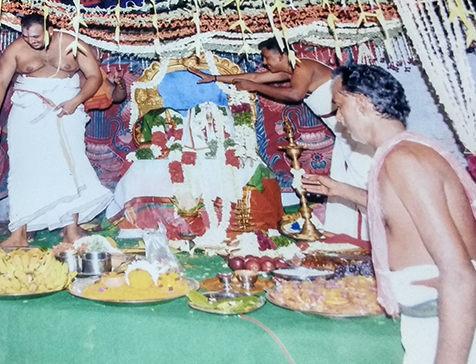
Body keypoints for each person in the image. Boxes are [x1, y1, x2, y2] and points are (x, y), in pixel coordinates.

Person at [304, 64, 476, 363]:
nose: (339, 119)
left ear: (362, 102)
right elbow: (404, 213)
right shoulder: (403, 152)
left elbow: (459, 273)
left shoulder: (403, 159)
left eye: (340, 106)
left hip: (443, 318)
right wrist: (340, 190)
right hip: (431, 315)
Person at [189, 37, 373, 240]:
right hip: (343, 135)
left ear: (282, 55)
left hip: (355, 136)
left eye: (267, 57)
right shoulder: (290, 70)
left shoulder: (303, 65)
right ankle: (350, 236)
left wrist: (254, 87)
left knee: (360, 182)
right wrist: (214, 78)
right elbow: (254, 77)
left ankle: (368, 236)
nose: (265, 63)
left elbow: (295, 95)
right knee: (344, 186)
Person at [0, 13, 113, 248]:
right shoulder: (16, 50)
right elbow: (1, 82)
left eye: (35, 36)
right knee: (23, 168)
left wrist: (76, 100)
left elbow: (94, 76)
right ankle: (19, 232)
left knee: (70, 166)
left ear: (49, 29)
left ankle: (71, 229)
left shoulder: (74, 45)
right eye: (25, 36)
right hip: (27, 111)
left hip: (68, 109)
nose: (30, 41)